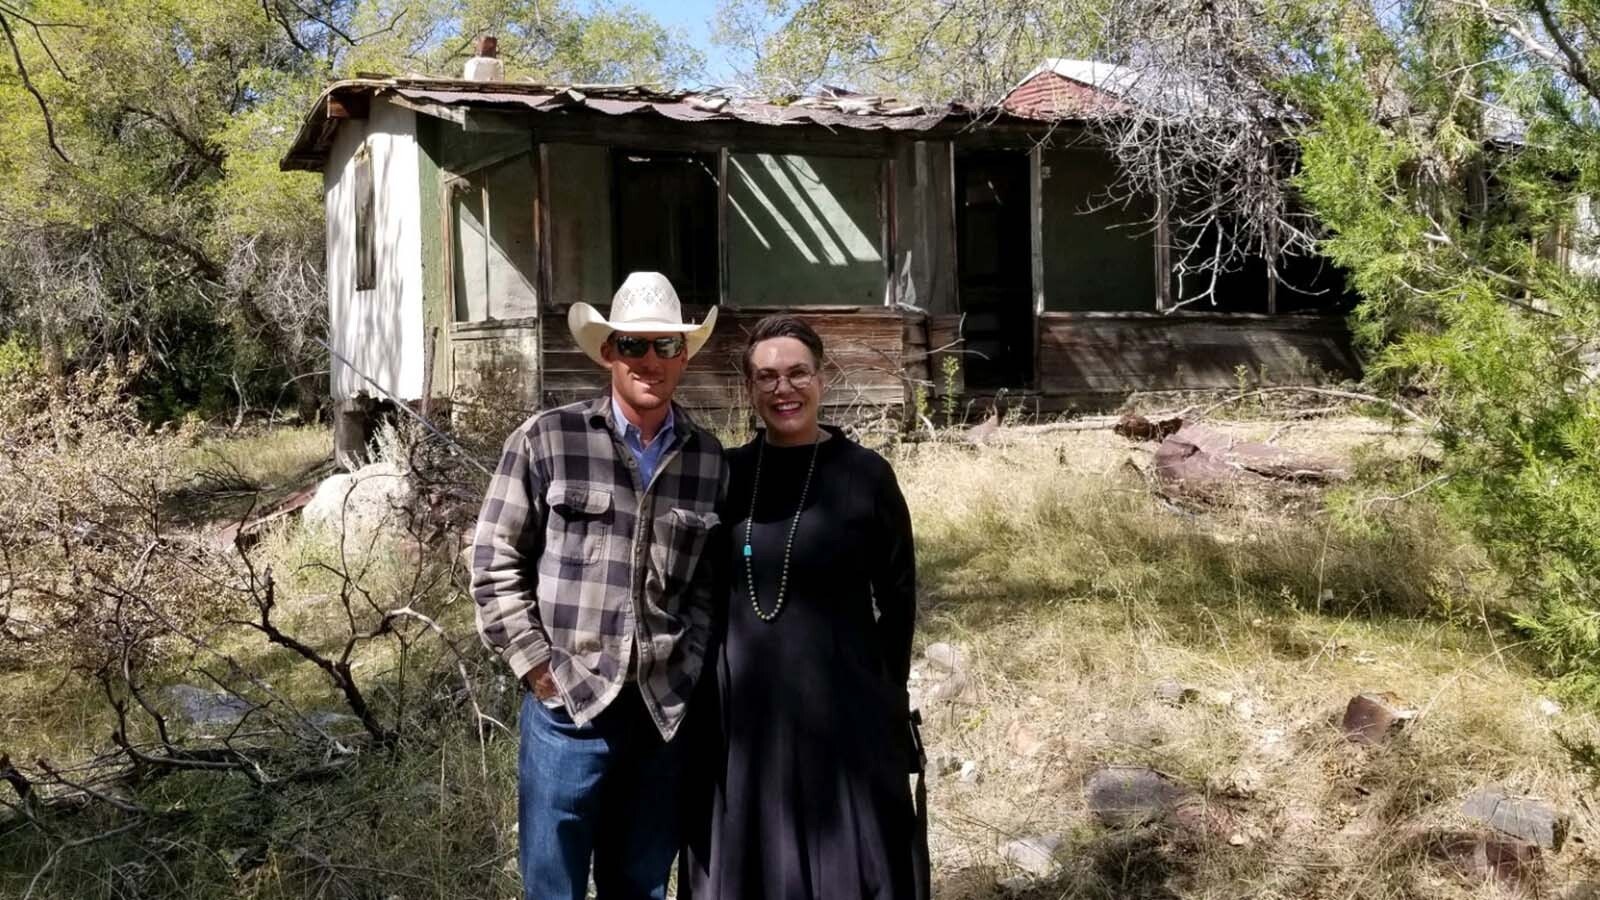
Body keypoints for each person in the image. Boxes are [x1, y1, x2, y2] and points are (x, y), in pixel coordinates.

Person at [470, 272, 726, 900]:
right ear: (609, 351)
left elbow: (707, 586)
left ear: (684, 356)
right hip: (568, 710)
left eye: (667, 346)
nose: (650, 361)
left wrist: (687, 666)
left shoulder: (707, 458)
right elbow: (493, 558)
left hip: (660, 713)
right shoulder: (548, 439)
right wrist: (536, 667)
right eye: (635, 344)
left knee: (638, 886)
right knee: (552, 887)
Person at [682, 314, 921, 900]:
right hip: (741, 713)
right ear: (749, 389)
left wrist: (884, 695)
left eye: (797, 373)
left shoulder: (866, 477)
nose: (782, 389)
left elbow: (898, 597)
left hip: (841, 708)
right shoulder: (726, 474)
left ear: (822, 379)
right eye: (766, 377)